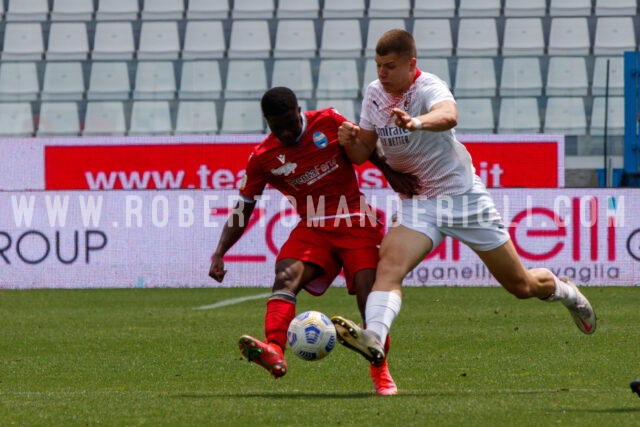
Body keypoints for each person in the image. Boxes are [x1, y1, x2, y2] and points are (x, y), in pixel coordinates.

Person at [331, 29, 597, 369]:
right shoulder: (374, 94)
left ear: (411, 64)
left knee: (521, 285)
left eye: (390, 66)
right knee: (389, 267)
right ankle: (375, 337)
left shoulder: (428, 86)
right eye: (378, 65)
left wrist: (417, 122)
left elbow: (449, 115)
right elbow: (360, 153)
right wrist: (349, 139)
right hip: (419, 202)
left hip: (463, 199)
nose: (382, 74)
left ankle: (566, 292)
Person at [209, 86, 416, 395]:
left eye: (290, 124)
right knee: (285, 276)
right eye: (276, 127)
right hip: (314, 225)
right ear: (266, 121)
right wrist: (220, 251)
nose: (286, 132)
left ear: (298, 111)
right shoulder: (263, 157)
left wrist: (387, 170)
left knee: (368, 294)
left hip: (355, 219)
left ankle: (381, 372)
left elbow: (366, 146)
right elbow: (245, 205)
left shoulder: (329, 121)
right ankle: (274, 349)